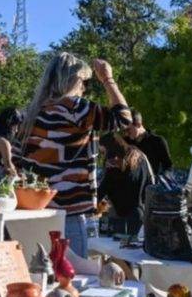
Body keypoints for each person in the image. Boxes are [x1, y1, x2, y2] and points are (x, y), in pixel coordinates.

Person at [17, 53, 132, 258]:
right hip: (69, 209)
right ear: (71, 80)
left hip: (33, 210)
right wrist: (108, 79)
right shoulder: (75, 108)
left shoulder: (33, 112)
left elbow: (17, 160)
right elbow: (123, 118)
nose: (84, 88)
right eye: (83, 81)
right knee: (72, 275)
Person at [97, 132, 154, 237]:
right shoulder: (138, 155)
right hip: (141, 212)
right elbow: (150, 181)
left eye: (103, 152)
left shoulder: (114, 164)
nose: (102, 156)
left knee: (117, 249)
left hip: (123, 217)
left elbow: (102, 190)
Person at [124, 109, 172, 175]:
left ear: (138, 124)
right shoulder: (125, 142)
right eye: (124, 131)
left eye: (128, 130)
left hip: (152, 183)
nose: (126, 134)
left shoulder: (157, 141)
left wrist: (159, 179)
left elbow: (168, 167)